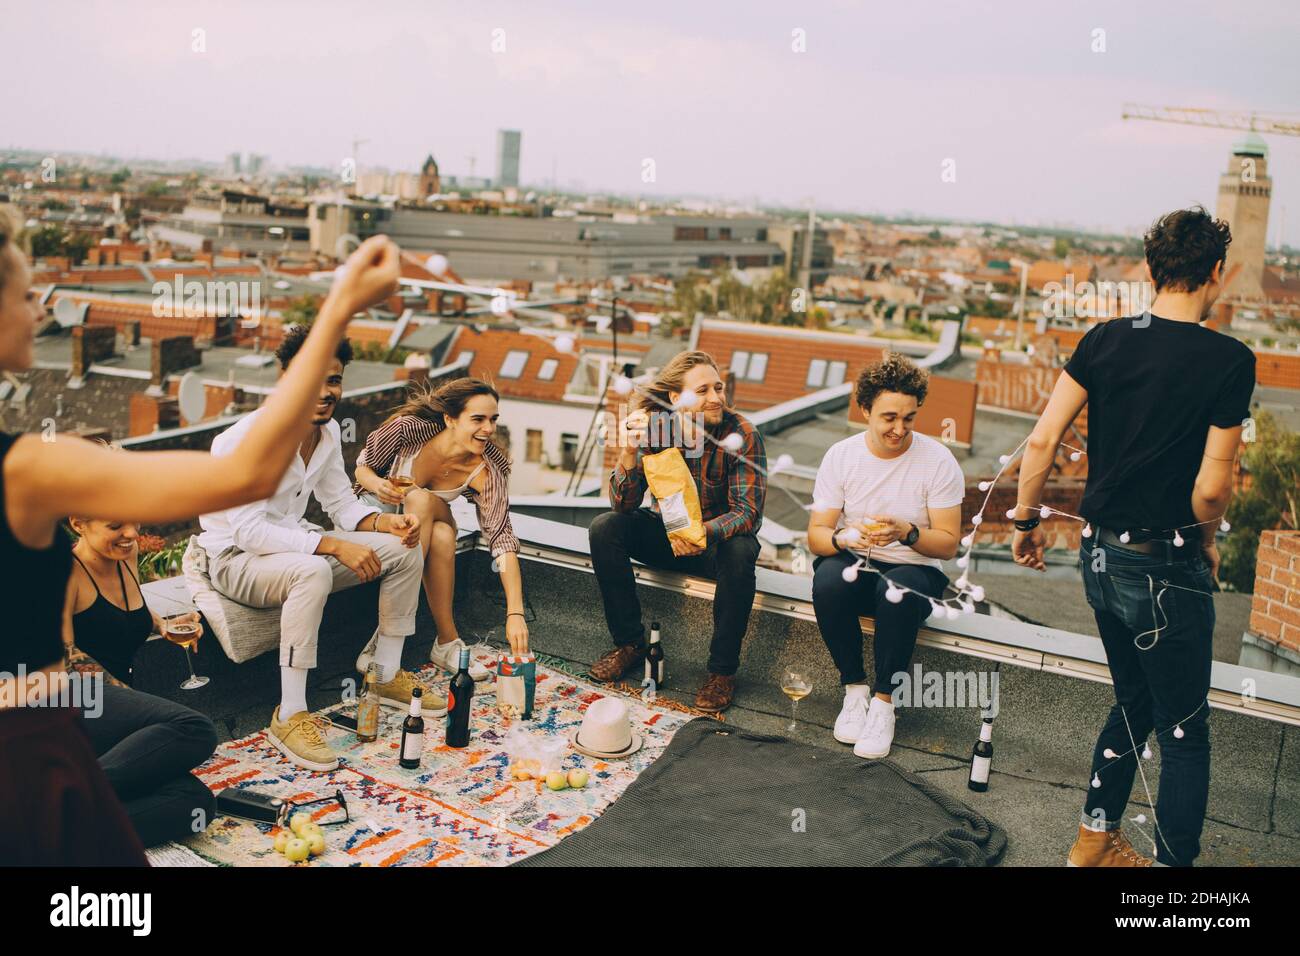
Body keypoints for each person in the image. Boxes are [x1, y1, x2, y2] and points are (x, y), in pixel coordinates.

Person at [0, 206, 399, 864]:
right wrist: (337, 309)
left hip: (44, 727)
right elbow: (245, 474)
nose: (39, 310)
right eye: (22, 294)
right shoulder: (27, 469)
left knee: (186, 800)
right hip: (29, 745)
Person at [1011, 207, 1255, 867]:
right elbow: (1211, 489)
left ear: (1152, 270)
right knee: (1183, 735)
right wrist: (1206, 539)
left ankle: (1094, 839)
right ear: (1215, 273)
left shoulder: (1104, 339)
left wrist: (1026, 521)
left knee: (1135, 700)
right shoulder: (1230, 360)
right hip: (1166, 565)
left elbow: (1041, 440)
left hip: (1099, 555)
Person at [196, 324, 438, 773]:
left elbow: (341, 503)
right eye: (314, 379)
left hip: (291, 546)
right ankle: (289, 713)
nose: (326, 391)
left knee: (403, 548)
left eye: (334, 379)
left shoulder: (324, 436)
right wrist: (331, 546)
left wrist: (386, 522)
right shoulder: (251, 440)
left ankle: (383, 672)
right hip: (234, 559)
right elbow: (248, 531)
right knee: (315, 571)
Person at [587, 350, 765, 713]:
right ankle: (630, 645)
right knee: (606, 528)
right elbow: (622, 505)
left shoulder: (741, 433)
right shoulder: (656, 427)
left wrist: (699, 534)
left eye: (718, 388)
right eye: (702, 391)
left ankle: (721, 673)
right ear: (675, 398)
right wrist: (629, 452)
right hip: (666, 536)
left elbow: (747, 513)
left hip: (714, 544)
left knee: (742, 550)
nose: (716, 397)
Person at [808, 355, 963, 759]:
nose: (899, 429)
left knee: (900, 590)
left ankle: (883, 703)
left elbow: (949, 544)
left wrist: (907, 533)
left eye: (909, 418)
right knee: (827, 581)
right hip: (859, 560)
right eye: (889, 417)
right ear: (865, 411)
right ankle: (855, 689)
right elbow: (817, 536)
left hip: (917, 570)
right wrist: (845, 538)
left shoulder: (939, 461)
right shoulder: (841, 456)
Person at [353, 378, 525, 679]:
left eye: (493, 420)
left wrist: (515, 613)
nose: (488, 429)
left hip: (418, 521)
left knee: (422, 502)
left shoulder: (488, 470)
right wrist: (379, 485)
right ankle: (426, 638)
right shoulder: (408, 430)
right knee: (442, 533)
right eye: (478, 419)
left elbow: (501, 537)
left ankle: (423, 639)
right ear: (450, 419)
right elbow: (361, 470)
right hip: (373, 517)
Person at [64, 515, 219, 848]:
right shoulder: (60, 572)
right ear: (78, 524)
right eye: (116, 525)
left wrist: (162, 625)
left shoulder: (126, 554)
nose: (131, 534)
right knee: (194, 729)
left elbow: (123, 613)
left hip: (107, 721)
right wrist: (133, 702)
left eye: (134, 521)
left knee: (195, 802)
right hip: (65, 703)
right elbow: (63, 657)